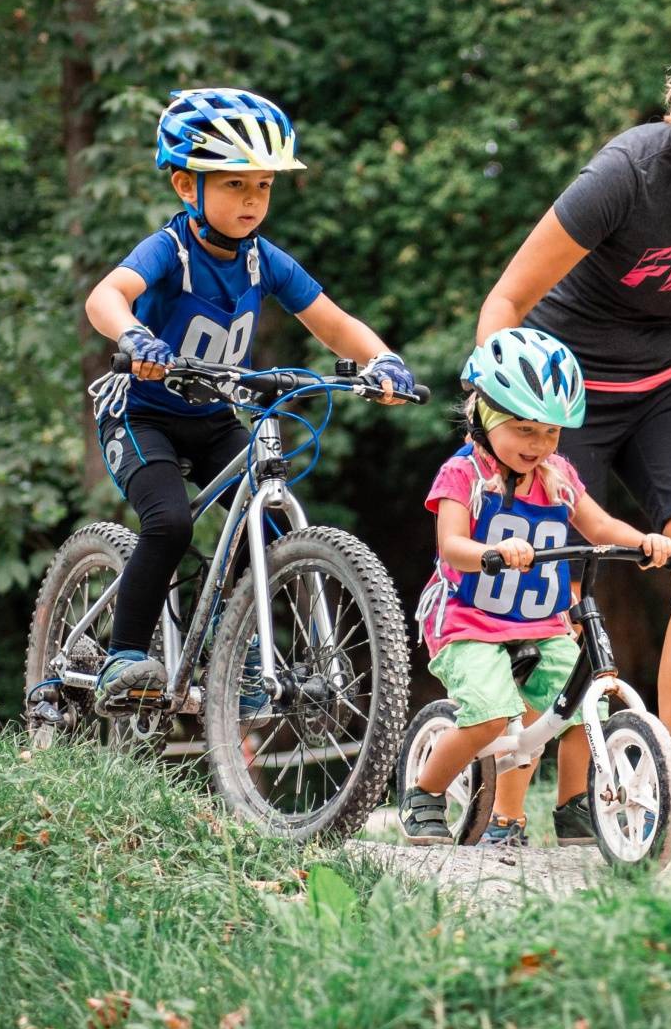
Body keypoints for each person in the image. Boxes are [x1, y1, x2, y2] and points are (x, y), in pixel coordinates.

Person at [475, 7, 671, 832]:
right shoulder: (627, 173)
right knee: (550, 584)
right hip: (561, 395)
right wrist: (499, 422)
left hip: (663, 382)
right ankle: (509, 807)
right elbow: (506, 301)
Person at [73, 87, 418, 709]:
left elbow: (334, 323)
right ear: (187, 186)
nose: (253, 200)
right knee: (170, 523)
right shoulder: (171, 250)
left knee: (264, 521)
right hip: (142, 415)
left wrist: (383, 362)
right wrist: (135, 337)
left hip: (212, 417)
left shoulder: (264, 261)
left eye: (263, 186)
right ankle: (123, 655)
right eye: (234, 184)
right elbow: (106, 296)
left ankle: (242, 655)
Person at [401, 328, 671, 849]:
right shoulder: (463, 475)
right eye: (524, 429)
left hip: (541, 622)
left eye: (551, 432)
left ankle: (574, 808)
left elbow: (599, 526)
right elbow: (452, 546)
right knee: (490, 717)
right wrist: (493, 552)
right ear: (484, 417)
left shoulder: (558, 476)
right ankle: (426, 791)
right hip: (468, 621)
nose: (539, 445)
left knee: (583, 706)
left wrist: (644, 542)